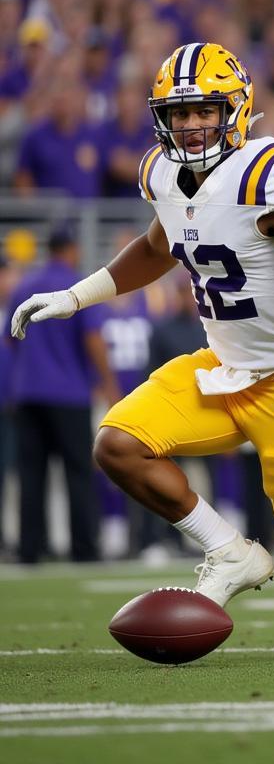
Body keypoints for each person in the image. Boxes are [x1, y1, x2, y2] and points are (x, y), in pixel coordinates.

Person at [10, 42, 274, 657]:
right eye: (180, 113)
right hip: (221, 367)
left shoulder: (269, 172)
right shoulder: (162, 173)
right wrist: (76, 296)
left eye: (206, 110)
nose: (192, 124)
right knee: (118, 445)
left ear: (237, 109)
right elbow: (157, 245)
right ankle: (228, 551)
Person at [5, 226, 120, 563]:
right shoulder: (76, 287)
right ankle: (83, 549)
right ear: (70, 249)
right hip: (69, 394)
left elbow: (10, 337)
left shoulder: (23, 286)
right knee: (78, 474)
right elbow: (93, 339)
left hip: (27, 394)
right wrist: (110, 387)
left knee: (31, 474)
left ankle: (30, 549)